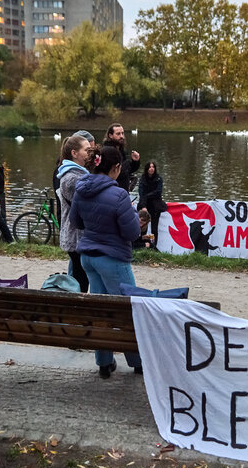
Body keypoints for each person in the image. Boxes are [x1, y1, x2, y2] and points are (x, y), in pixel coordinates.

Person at [70, 145, 143, 378]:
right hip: (113, 259)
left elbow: (76, 222)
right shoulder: (119, 194)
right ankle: (138, 362)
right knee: (127, 312)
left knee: (101, 310)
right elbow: (132, 233)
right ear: (116, 168)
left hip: (88, 258)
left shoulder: (81, 190)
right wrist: (134, 216)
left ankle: (104, 362)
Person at [56, 134, 91, 292]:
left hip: (79, 236)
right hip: (76, 236)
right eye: (87, 150)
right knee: (80, 280)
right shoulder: (71, 178)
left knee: (80, 276)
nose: (90, 153)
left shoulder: (80, 173)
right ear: (74, 153)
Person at [137, 161, 167, 250]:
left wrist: (147, 195)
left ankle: (154, 247)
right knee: (143, 227)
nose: (151, 168)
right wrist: (143, 206)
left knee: (154, 228)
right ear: (147, 169)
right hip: (145, 205)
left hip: (155, 206)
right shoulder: (142, 179)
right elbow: (141, 193)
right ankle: (142, 246)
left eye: (153, 167)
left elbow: (158, 192)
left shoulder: (158, 179)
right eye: (150, 167)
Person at [103, 124, 140, 192]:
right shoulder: (107, 151)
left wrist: (135, 161)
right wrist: (127, 163)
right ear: (110, 135)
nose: (122, 136)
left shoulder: (122, 150)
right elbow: (114, 173)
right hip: (113, 190)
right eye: (118, 134)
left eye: (122, 133)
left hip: (123, 190)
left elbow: (128, 171)